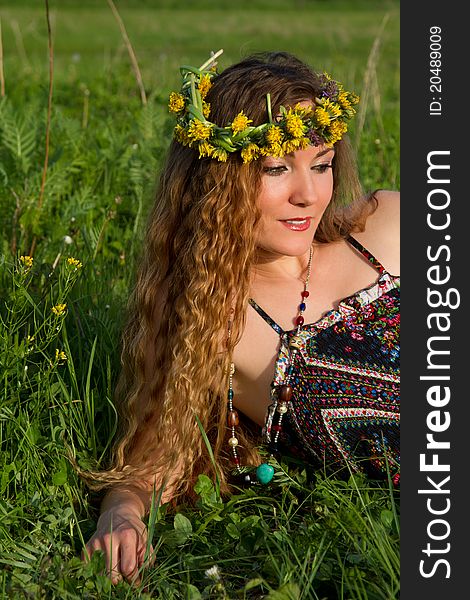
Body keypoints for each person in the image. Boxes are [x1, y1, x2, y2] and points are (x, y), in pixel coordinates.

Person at [83, 49, 400, 584]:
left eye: (321, 165)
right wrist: (123, 513)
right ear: (217, 179)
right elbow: (154, 457)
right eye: (277, 169)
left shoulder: (389, 224)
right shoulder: (214, 317)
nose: (308, 194)